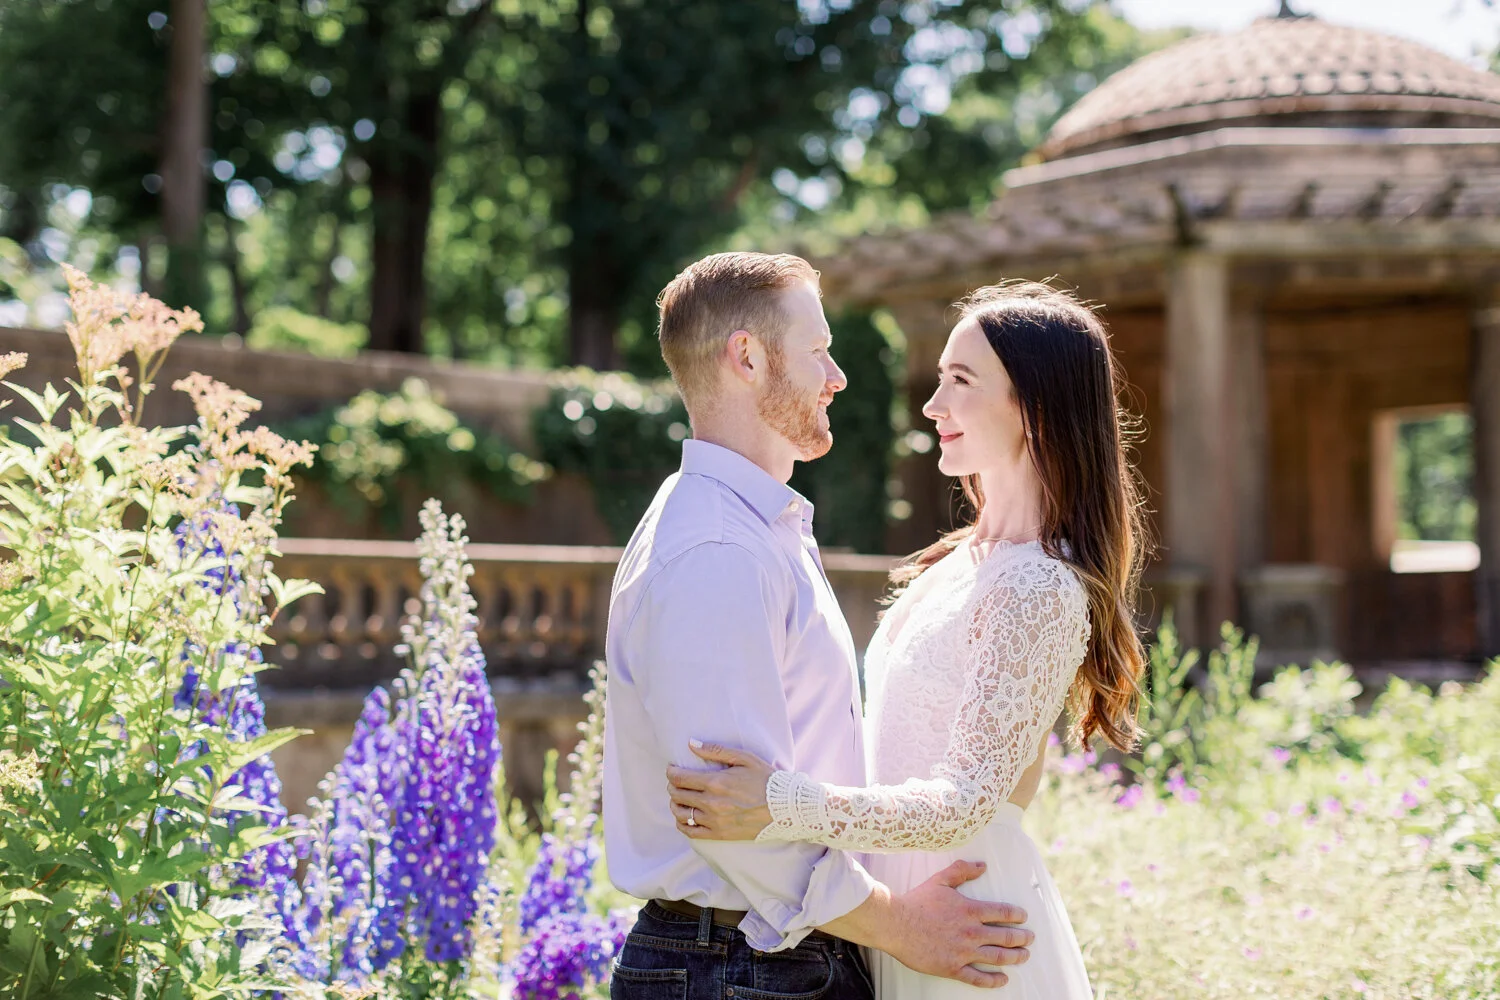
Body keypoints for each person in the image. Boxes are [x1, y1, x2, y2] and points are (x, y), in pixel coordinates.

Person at [664, 281, 1150, 999]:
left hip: (970, 922)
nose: (932, 405)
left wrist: (781, 803)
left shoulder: (1039, 587)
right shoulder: (957, 564)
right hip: (902, 915)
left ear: (1034, 407)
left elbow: (964, 803)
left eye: (960, 381)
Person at [603, 253, 1037, 1000]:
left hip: (763, 960)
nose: (836, 376)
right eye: (817, 352)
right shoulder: (717, 549)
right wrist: (903, 927)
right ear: (747, 356)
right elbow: (730, 817)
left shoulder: (759, 527)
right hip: (743, 967)